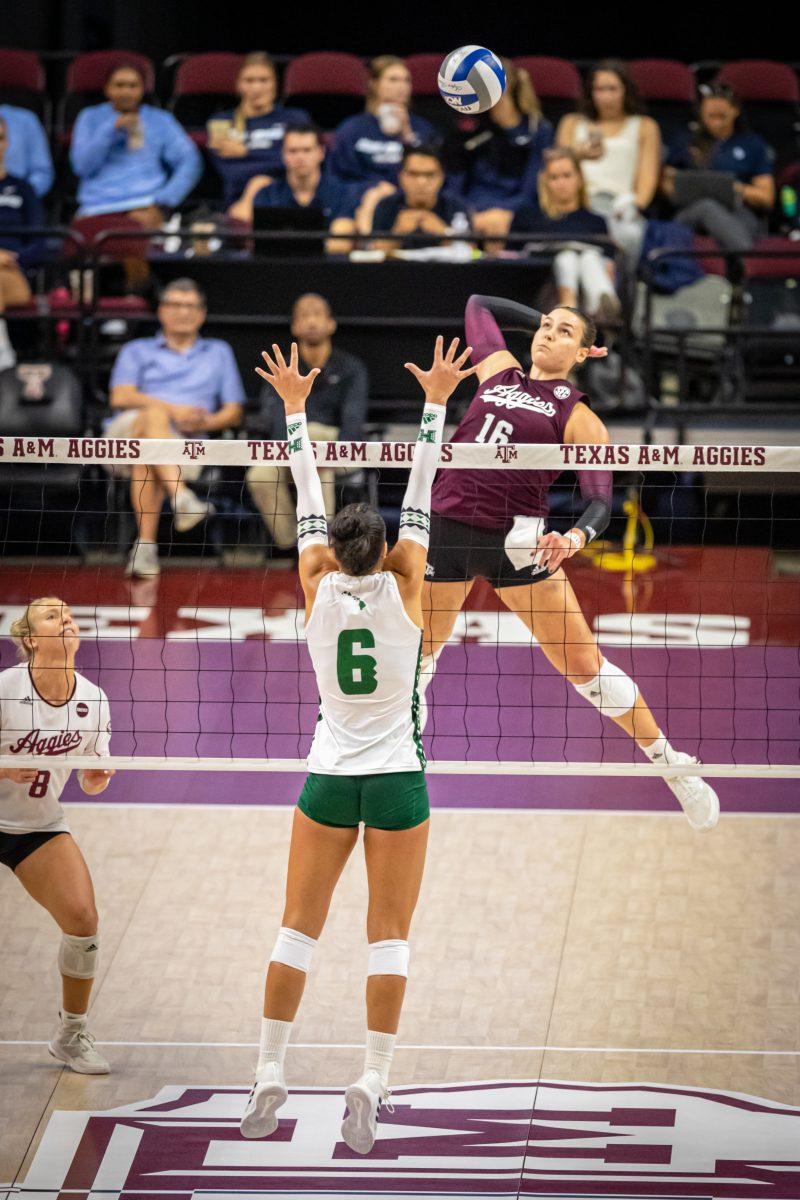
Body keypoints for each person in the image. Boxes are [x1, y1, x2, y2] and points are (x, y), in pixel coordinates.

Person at [239, 336, 474, 1153]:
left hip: (327, 779)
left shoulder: (312, 584)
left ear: (332, 555)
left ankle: (270, 1068)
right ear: (390, 552)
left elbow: (307, 495)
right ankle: (372, 1079)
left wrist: (295, 412)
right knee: (390, 935)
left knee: (295, 930)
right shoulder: (411, 580)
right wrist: (436, 401)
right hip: (399, 781)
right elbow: (422, 481)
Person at [419, 293, 720, 833]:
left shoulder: (578, 416)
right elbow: (476, 305)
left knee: (587, 669)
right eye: (546, 326)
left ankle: (675, 769)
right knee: (418, 659)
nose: (548, 334)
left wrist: (575, 538)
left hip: (520, 543)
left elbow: (600, 499)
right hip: (448, 529)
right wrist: (543, 318)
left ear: (585, 353)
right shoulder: (499, 371)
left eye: (564, 333)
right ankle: (396, 758)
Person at [0, 598, 115, 1073]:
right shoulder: (4, 691)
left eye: (68, 614)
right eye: (52, 616)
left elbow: (92, 778)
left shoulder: (94, 700)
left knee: (83, 920)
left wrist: (97, 777)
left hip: (37, 827)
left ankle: (70, 1034)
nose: (65, 619)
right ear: (29, 639)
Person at [106, 278, 245, 577]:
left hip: (186, 443)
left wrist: (204, 421)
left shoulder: (219, 352)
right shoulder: (136, 350)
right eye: (176, 305)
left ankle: (144, 549)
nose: (183, 312)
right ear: (161, 311)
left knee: (148, 454)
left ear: (202, 314)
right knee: (151, 416)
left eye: (190, 306)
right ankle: (181, 498)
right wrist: (173, 411)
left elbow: (233, 411)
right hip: (124, 437)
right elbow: (120, 396)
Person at [247, 293, 368, 548]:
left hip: (336, 453)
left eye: (317, 314)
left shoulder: (351, 368)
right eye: (304, 315)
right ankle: (294, 544)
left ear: (331, 324)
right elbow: (274, 416)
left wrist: (342, 452)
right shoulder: (281, 369)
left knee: (311, 434)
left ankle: (323, 544)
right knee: (259, 475)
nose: (311, 321)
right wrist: (293, 453)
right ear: (294, 325)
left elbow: (353, 420)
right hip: (289, 451)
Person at [70, 63, 201, 228]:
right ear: (107, 89)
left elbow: (189, 160)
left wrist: (166, 199)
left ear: (142, 90)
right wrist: (111, 130)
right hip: (96, 206)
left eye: (133, 86)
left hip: (144, 203)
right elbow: (82, 167)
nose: (126, 92)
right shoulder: (90, 118)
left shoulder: (160, 119)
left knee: (136, 241)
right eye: (119, 85)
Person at [556, 60, 661, 261]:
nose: (607, 97)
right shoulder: (571, 123)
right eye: (600, 89)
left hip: (620, 207)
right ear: (590, 92)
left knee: (629, 235)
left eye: (613, 89)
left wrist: (631, 205)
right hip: (580, 204)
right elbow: (557, 169)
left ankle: (622, 290)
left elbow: (647, 184)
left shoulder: (645, 126)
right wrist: (578, 156)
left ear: (625, 91)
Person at [445, 59, 554, 239]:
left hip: (519, 210)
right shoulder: (466, 127)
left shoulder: (537, 130)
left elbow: (534, 186)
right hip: (472, 209)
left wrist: (508, 213)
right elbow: (454, 181)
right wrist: (470, 214)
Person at [663, 82, 775, 252]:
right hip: (691, 212)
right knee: (707, 206)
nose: (716, 122)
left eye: (722, 116)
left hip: (736, 211)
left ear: (735, 111)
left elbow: (766, 197)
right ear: (701, 113)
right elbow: (664, 179)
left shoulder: (752, 144)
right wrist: (676, 188)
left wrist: (736, 188)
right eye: (710, 116)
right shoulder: (685, 141)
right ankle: (748, 255)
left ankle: (742, 261)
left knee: (742, 222)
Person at [512, 148, 620, 321]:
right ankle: (572, 305)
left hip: (586, 288)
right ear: (544, 181)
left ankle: (598, 304)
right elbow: (511, 256)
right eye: (554, 177)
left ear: (579, 179)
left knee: (590, 258)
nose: (561, 183)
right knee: (567, 257)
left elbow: (609, 264)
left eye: (567, 175)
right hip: (540, 290)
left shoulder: (596, 222)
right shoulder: (528, 216)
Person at [329, 55, 437, 224]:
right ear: (374, 84)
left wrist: (407, 136)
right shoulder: (352, 128)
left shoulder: (422, 128)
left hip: (410, 201)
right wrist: (373, 188)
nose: (401, 87)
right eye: (393, 80)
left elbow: (433, 170)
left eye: (406, 81)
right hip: (361, 200)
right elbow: (338, 176)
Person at [227, 123, 361, 250]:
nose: (300, 157)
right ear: (283, 154)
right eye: (293, 151)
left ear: (321, 152)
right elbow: (251, 239)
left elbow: (340, 244)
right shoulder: (267, 193)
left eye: (307, 150)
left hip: (327, 272)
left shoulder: (344, 193)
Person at [208, 52, 311, 209]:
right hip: (237, 199)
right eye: (249, 81)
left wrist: (246, 153)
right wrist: (276, 158)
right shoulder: (222, 122)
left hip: (288, 195)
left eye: (264, 80)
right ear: (238, 85)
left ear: (275, 84)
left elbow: (304, 161)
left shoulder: (294, 118)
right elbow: (231, 173)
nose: (256, 88)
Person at [0, 115, 44, 367]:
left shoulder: (22, 189)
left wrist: (15, 259)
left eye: (0, 138)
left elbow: (42, 241)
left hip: (13, 272)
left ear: (6, 143)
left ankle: (3, 358)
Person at [369, 145, 470, 250]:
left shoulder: (455, 206)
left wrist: (444, 233)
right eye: (413, 174)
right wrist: (398, 233)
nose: (421, 182)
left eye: (430, 175)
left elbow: (472, 252)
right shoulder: (386, 206)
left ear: (442, 178)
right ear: (401, 176)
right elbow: (375, 252)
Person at [0, 103, 54, 197]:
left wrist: (22, 195)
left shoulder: (24, 120)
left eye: (1, 138)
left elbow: (42, 173)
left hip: (15, 202)